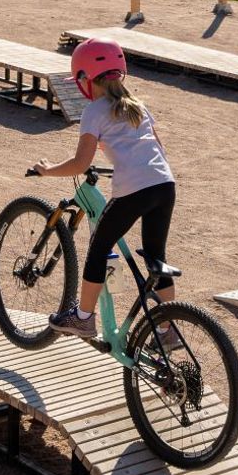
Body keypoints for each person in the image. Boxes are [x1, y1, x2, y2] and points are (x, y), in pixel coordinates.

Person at [29, 39, 178, 339]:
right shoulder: (138, 105)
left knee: (98, 247)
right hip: (164, 185)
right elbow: (158, 150)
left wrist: (48, 171)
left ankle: (83, 318)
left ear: (85, 79)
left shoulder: (94, 111)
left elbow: (81, 164)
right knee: (155, 256)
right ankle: (167, 329)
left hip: (135, 190)